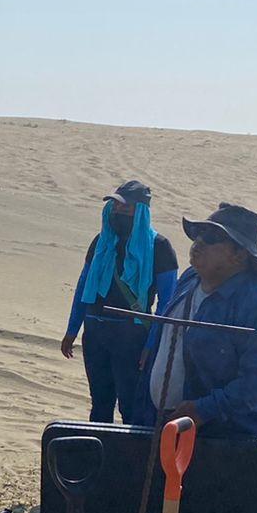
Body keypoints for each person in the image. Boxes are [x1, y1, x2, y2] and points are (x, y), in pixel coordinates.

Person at [135, 203, 257, 436]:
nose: (199, 243)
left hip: (222, 438)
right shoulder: (190, 279)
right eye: (198, 234)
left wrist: (203, 410)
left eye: (212, 237)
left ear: (239, 255)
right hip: (161, 423)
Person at [61, 180, 178, 424]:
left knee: (131, 406)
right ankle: (100, 458)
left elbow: (168, 303)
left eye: (125, 208)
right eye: (114, 207)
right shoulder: (102, 242)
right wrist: (73, 328)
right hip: (96, 330)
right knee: (100, 403)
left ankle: (129, 460)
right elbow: (84, 286)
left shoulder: (159, 247)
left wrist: (152, 345)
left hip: (132, 336)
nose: (117, 213)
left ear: (141, 211)